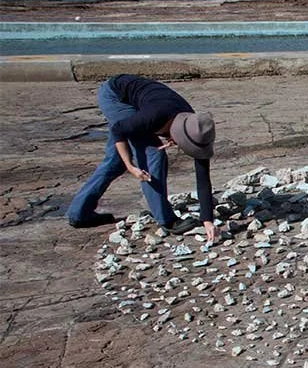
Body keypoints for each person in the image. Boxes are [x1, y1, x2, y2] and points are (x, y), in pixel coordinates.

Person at [66, 74, 218, 242]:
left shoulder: (197, 127)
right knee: (154, 155)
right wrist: (130, 166)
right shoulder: (154, 116)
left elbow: (203, 176)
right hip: (115, 96)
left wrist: (207, 219)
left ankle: (79, 213)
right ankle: (167, 220)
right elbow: (119, 130)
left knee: (115, 160)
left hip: (140, 102)